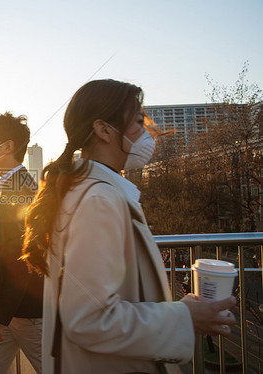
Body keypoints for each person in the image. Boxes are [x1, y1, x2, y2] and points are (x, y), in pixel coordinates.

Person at [21, 79, 236, 373]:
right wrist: (184, 317)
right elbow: (89, 319)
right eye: (138, 122)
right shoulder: (99, 199)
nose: (147, 133)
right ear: (104, 129)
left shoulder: (91, 190)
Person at [0, 112, 43, 373]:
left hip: (26, 314)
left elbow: (23, 259)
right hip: (12, 314)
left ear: (7, 147)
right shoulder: (12, 187)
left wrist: (1, 317)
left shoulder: (21, 190)